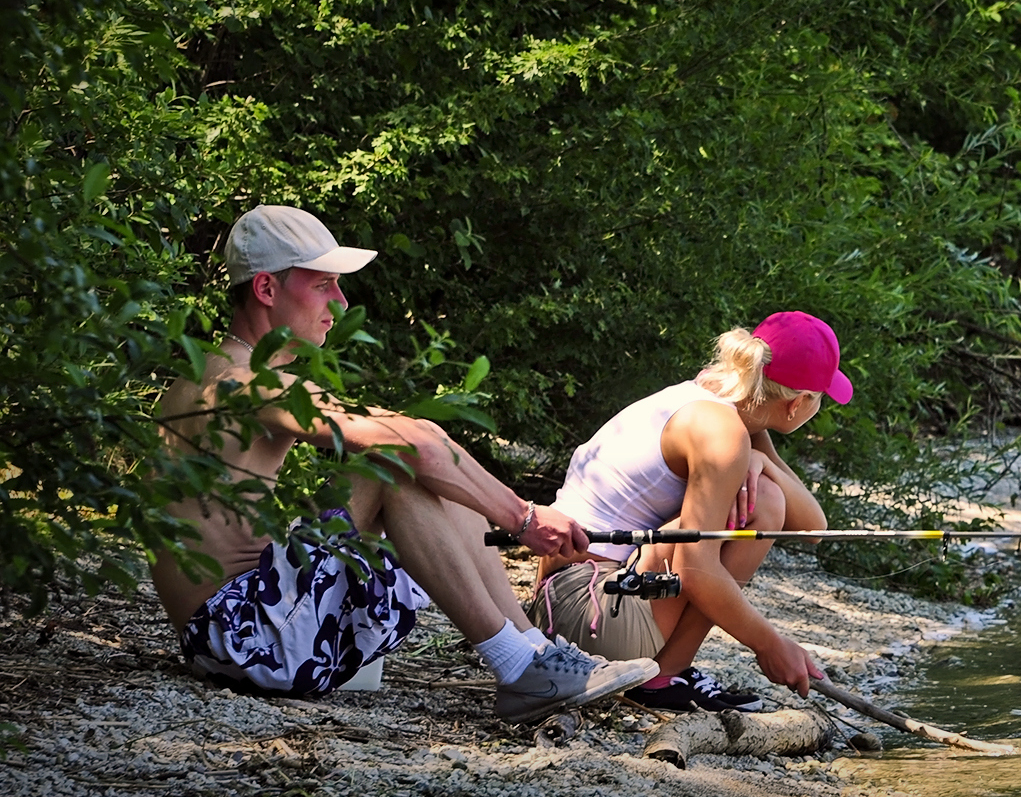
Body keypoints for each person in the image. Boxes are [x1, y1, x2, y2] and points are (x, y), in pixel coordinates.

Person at [153, 205, 658, 721]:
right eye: (324, 283)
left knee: (420, 465)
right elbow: (409, 444)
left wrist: (509, 505)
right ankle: (516, 664)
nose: (341, 301)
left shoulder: (212, 372)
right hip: (243, 641)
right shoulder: (247, 384)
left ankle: (534, 653)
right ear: (266, 289)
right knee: (392, 465)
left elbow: (423, 440)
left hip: (240, 632)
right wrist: (524, 519)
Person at [530, 311, 851, 712]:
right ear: (797, 403)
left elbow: (812, 527)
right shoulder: (723, 433)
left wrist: (762, 459)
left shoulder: (719, 398)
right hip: (589, 620)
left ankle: (663, 673)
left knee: (766, 497)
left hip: (561, 608)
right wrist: (770, 645)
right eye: (819, 399)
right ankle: (661, 678)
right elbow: (695, 571)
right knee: (762, 505)